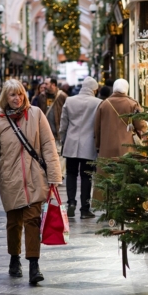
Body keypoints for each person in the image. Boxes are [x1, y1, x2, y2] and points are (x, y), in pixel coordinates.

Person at [0, 79, 62, 284]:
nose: (17, 98)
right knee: (13, 222)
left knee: (32, 220)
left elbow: (48, 144)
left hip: (35, 176)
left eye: (20, 94)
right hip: (10, 179)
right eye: (12, 95)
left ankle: (34, 265)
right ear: (5, 97)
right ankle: (14, 258)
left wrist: (54, 176)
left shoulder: (36, 114)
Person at [93, 79, 146, 202]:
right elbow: (140, 124)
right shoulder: (132, 104)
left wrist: (98, 145)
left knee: (106, 175)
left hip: (106, 147)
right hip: (126, 147)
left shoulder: (104, 104)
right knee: (125, 175)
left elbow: (97, 128)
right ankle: (124, 202)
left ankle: (107, 202)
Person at [59, 76, 102, 219]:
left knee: (71, 174)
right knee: (86, 176)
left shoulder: (70, 101)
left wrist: (62, 139)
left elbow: (63, 123)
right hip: (88, 145)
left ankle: (71, 202)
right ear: (94, 89)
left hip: (71, 143)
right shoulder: (98, 103)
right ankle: (85, 209)